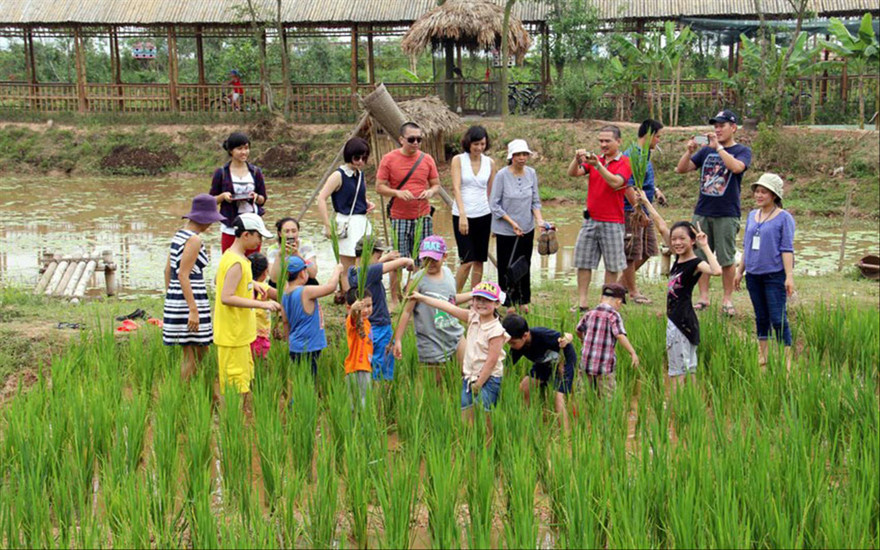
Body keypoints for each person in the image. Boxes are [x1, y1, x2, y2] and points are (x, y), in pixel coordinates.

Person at [637, 191, 722, 389]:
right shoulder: (678, 259)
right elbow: (661, 225)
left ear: (692, 240)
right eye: (674, 239)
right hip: (681, 320)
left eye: (682, 239)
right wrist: (646, 202)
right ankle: (688, 406)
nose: (676, 242)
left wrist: (705, 246)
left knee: (678, 371)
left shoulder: (695, 263)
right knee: (688, 368)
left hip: (680, 324)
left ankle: (678, 408)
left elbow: (716, 271)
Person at [676, 109, 753, 316]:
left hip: (727, 213)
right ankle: (703, 296)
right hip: (703, 211)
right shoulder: (705, 151)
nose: (717, 130)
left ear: (733, 128)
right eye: (715, 126)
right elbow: (681, 169)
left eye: (722, 126)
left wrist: (718, 148)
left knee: (726, 258)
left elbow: (736, 168)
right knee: (700, 255)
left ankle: (727, 299)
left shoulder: (742, 151)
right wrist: (689, 151)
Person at [411, 281, 509, 424]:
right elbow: (448, 307)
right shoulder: (473, 317)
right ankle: (469, 443)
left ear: (497, 303)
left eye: (487, 300)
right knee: (466, 415)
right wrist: (421, 298)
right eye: (478, 299)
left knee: (485, 417)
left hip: (488, 379)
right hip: (469, 377)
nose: (481, 303)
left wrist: (479, 383)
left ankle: (488, 445)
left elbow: (491, 362)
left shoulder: (496, 331)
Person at [213, 214, 281, 403]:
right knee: (235, 388)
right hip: (233, 335)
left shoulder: (231, 256)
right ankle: (233, 425)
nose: (259, 241)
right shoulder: (237, 262)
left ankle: (239, 422)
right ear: (245, 235)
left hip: (240, 334)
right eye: (258, 236)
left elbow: (219, 280)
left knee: (242, 382)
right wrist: (262, 303)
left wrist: (250, 283)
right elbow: (226, 297)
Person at [567, 125, 633, 312]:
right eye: (601, 141)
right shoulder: (596, 160)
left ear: (618, 142)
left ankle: (606, 303)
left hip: (613, 221)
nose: (603, 145)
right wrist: (576, 159)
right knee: (583, 262)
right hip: (590, 220)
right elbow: (573, 173)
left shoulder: (625, 162)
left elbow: (615, 182)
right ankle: (582, 303)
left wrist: (598, 166)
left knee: (612, 265)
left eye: (607, 141)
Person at [375, 122, 441, 308]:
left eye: (419, 139)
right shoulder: (389, 159)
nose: (416, 143)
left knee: (423, 257)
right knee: (397, 258)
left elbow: (436, 184)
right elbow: (379, 187)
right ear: (401, 139)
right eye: (411, 139)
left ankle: (416, 295)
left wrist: (430, 192)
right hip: (399, 216)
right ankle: (395, 299)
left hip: (423, 215)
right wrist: (397, 193)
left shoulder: (427, 159)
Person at [734, 173, 795, 371]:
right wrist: (739, 271)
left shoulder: (784, 218)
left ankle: (786, 360)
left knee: (778, 318)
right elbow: (747, 245)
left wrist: (789, 276)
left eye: (764, 192)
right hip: (753, 275)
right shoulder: (752, 215)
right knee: (761, 317)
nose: (759, 195)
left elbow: (787, 249)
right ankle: (763, 358)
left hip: (774, 275)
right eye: (757, 191)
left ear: (774, 195)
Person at [163, 194, 225, 381]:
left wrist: (172, 298)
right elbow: (183, 274)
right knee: (191, 356)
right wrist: (192, 310)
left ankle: (203, 393)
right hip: (190, 301)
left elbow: (167, 271)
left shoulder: (179, 235)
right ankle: (179, 395)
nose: (212, 225)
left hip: (179, 298)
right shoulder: (194, 240)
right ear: (204, 218)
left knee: (201, 350)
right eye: (211, 220)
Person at [392, 236, 469, 384]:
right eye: (426, 259)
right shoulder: (417, 280)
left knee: (469, 372)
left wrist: (474, 295)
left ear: (445, 256)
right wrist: (398, 339)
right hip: (431, 340)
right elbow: (406, 311)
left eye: (434, 259)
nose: (430, 263)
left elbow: (451, 301)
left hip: (455, 334)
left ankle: (463, 404)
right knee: (433, 384)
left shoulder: (448, 274)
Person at [490, 139, 550, 311]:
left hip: (527, 228)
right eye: (518, 154)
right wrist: (512, 223)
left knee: (524, 264)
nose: (522, 158)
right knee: (506, 265)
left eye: (525, 154)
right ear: (511, 156)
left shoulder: (531, 173)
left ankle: (524, 300)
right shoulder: (502, 175)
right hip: (506, 229)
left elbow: (535, 201)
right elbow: (494, 204)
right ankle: (508, 302)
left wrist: (539, 221)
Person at [347, 239, 416, 383]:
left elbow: (373, 266)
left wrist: (385, 258)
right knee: (382, 370)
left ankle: (371, 396)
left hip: (368, 327)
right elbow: (396, 264)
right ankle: (380, 400)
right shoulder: (370, 272)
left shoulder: (352, 272)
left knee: (371, 365)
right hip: (380, 327)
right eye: (377, 254)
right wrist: (408, 260)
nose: (381, 255)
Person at [317, 137, 376, 299]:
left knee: (365, 263)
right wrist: (327, 225)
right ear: (349, 155)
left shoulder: (360, 175)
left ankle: (361, 297)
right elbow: (321, 198)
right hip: (346, 223)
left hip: (362, 222)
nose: (360, 162)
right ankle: (351, 302)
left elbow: (358, 197)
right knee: (347, 267)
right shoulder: (338, 175)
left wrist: (367, 203)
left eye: (364, 158)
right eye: (357, 157)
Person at [502, 314, 577, 433]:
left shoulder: (543, 335)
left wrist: (567, 339)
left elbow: (566, 337)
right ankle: (529, 423)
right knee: (524, 387)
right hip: (544, 363)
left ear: (525, 336)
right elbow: (506, 367)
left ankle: (565, 434)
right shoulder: (518, 346)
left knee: (558, 396)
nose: (511, 346)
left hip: (564, 362)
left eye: (512, 343)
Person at [621, 119, 664, 304]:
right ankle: (632, 292)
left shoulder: (644, 154)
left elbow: (642, 182)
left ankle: (617, 286)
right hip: (633, 210)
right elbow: (627, 185)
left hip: (645, 207)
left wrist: (655, 190)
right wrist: (640, 212)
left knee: (648, 250)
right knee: (631, 254)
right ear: (648, 136)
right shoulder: (632, 155)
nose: (659, 141)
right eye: (658, 137)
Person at [282, 256, 345, 381]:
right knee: (308, 382)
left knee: (301, 379)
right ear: (302, 273)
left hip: (295, 345)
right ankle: (301, 400)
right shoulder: (306, 291)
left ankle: (299, 399)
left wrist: (289, 342)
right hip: (308, 346)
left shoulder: (285, 294)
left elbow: (285, 321)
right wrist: (337, 270)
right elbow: (330, 287)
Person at [451, 125, 497, 292]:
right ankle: (453, 297)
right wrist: (463, 215)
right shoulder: (458, 160)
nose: (479, 148)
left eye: (482, 144)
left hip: (484, 214)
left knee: (479, 259)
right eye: (476, 144)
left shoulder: (490, 163)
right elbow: (456, 187)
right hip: (462, 214)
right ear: (468, 143)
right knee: (466, 260)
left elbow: (491, 192)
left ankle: (474, 297)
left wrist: (495, 221)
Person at [575, 283, 639, 399]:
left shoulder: (589, 314)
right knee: (607, 398)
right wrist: (632, 352)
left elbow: (578, 330)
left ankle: (581, 414)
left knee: (582, 396)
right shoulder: (613, 315)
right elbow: (619, 335)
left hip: (586, 362)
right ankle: (607, 416)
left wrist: (583, 340)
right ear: (618, 302)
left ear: (601, 298)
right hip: (604, 365)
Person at [210, 132, 267, 254]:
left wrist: (256, 197)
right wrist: (223, 196)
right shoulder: (221, 173)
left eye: (246, 148)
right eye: (239, 148)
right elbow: (211, 200)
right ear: (231, 151)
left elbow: (263, 199)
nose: (244, 152)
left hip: (253, 227)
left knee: (254, 265)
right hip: (231, 226)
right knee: (231, 262)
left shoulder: (256, 172)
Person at [267, 217, 317, 289]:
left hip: (302, 280)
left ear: (298, 232)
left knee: (313, 282)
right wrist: (279, 255)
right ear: (280, 233)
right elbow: (274, 279)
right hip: (283, 282)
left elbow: (313, 274)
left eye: (294, 231)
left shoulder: (306, 245)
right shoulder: (273, 249)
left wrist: (298, 255)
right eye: (286, 231)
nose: (291, 235)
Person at [344, 287, 374, 409]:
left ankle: (361, 425)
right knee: (360, 403)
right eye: (362, 307)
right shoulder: (355, 322)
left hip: (365, 367)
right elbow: (353, 317)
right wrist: (354, 310)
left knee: (363, 401)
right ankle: (357, 426)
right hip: (357, 368)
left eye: (369, 305)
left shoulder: (366, 322)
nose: (366, 310)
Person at [248, 252, 272, 361]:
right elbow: (283, 295)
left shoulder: (245, 285)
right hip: (259, 335)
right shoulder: (263, 287)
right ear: (265, 272)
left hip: (248, 332)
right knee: (259, 361)